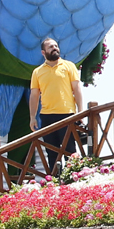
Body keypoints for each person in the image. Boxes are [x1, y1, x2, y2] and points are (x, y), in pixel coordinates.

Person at [29, 37, 85, 173]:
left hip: (67, 114)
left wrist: (81, 112)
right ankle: (54, 180)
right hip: (47, 116)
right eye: (50, 47)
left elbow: (77, 89)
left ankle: (74, 177)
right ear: (43, 52)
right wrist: (32, 117)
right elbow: (34, 95)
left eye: (56, 46)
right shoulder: (37, 72)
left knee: (70, 150)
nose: (55, 48)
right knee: (51, 151)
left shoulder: (69, 66)